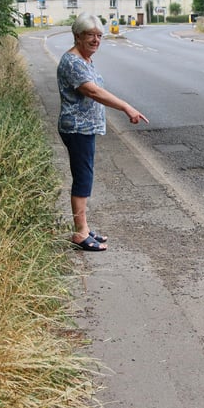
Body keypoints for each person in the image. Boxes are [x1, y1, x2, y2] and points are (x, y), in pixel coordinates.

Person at [57, 13, 148, 251]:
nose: (96, 40)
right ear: (77, 36)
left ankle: (84, 227)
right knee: (83, 179)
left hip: (85, 128)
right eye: (90, 35)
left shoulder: (85, 60)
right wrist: (127, 107)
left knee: (85, 177)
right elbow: (94, 92)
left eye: (99, 36)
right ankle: (80, 233)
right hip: (77, 128)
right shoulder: (73, 62)